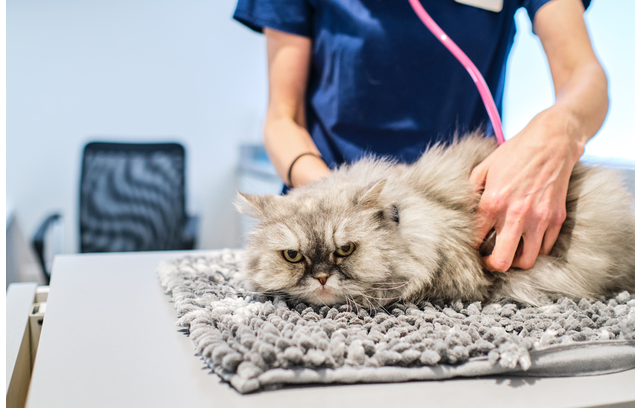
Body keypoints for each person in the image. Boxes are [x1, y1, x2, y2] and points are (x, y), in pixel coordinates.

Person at [233, 0, 607, 273]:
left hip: (464, 221)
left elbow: (585, 78)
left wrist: (558, 131)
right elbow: (283, 119)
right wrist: (337, 199)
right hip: (333, 220)